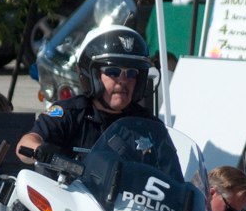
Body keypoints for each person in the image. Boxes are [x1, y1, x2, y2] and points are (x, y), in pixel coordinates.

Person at [16, 25, 154, 163]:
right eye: (113, 72)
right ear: (92, 75)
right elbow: (24, 145)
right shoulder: (70, 114)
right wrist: (40, 149)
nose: (123, 81)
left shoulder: (148, 125)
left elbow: (172, 175)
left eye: (131, 73)